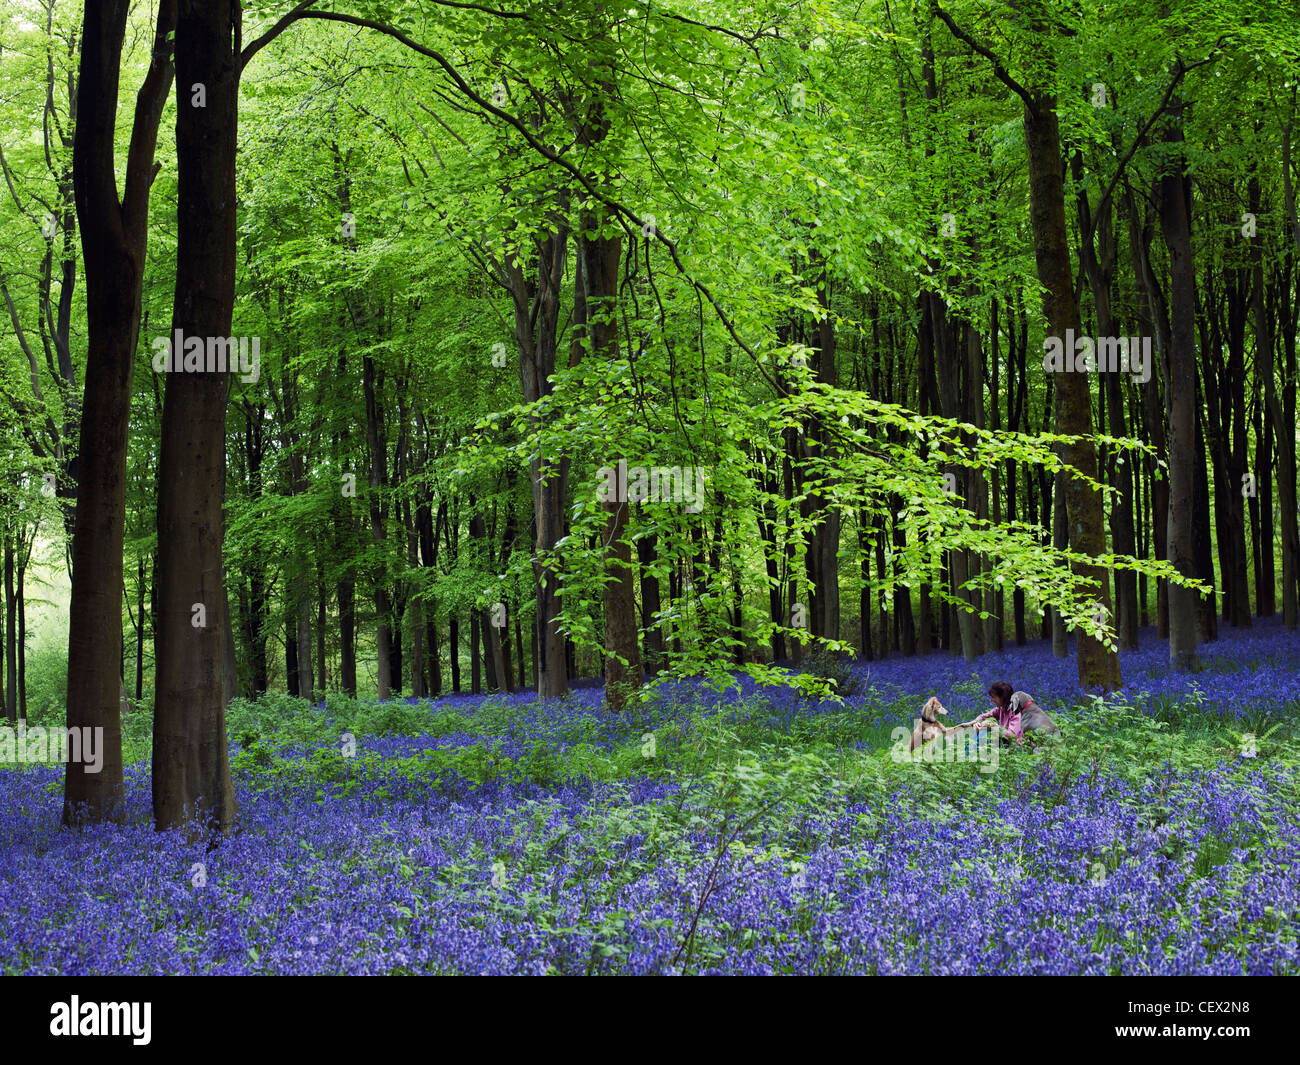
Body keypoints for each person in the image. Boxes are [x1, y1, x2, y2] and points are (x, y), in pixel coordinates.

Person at [972, 681, 1060, 745]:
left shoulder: (1016, 712)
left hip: (1015, 746)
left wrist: (993, 726)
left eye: (993, 697)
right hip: (1004, 741)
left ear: (1002, 697)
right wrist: (977, 722)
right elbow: (984, 716)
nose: (991, 700)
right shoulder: (1000, 708)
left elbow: (1012, 735)